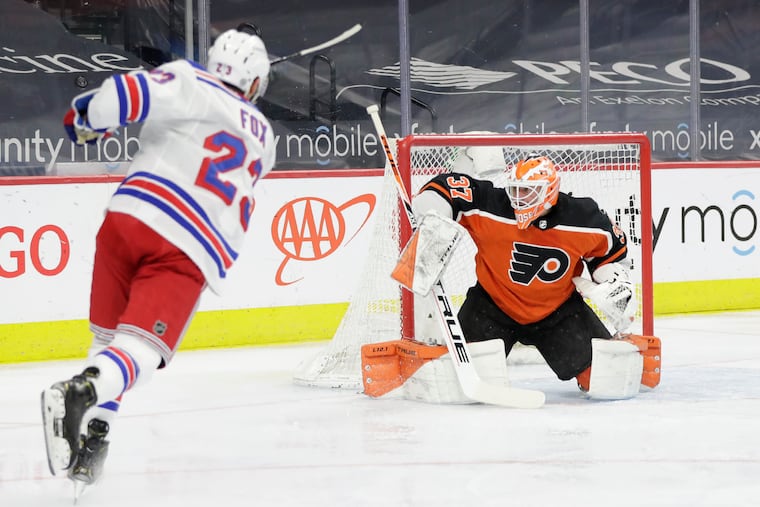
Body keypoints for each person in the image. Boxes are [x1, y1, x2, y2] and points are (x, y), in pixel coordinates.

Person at [41, 24, 275, 492]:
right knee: (141, 356)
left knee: (108, 343)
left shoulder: (189, 80)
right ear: (254, 84)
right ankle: (79, 394)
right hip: (183, 246)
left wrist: (87, 118)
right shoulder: (265, 138)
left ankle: (93, 444)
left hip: (126, 219)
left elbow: (123, 95)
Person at [411, 154, 659, 399]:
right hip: (491, 307)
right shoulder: (493, 205)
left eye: (528, 191)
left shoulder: (584, 218)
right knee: (456, 384)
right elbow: (449, 187)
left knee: (605, 382)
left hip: (558, 313)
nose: (518, 199)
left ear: (549, 192)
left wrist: (609, 280)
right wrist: (433, 208)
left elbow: (609, 253)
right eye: (515, 190)